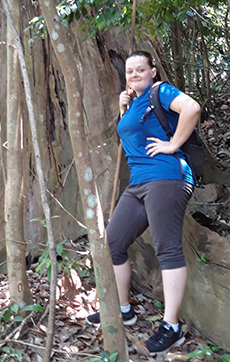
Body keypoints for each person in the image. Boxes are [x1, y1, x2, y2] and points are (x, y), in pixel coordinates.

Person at [86, 50, 201, 356]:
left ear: (152, 71)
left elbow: (191, 108)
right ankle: (123, 310)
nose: (134, 75)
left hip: (167, 178)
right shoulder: (134, 102)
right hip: (138, 183)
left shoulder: (159, 91)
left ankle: (171, 327)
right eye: (129, 72)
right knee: (113, 242)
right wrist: (123, 109)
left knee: (168, 249)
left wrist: (173, 144)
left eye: (140, 70)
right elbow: (133, 137)